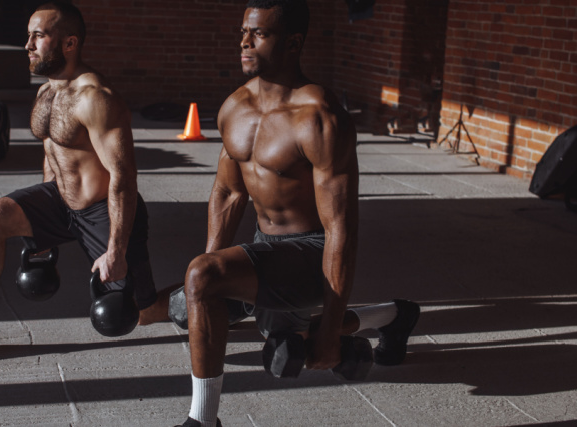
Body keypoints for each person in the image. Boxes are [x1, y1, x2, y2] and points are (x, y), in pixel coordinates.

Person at [174, 1, 419, 426]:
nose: (244, 42)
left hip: (310, 253)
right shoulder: (236, 107)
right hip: (266, 249)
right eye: (244, 31)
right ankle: (396, 316)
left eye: (259, 34)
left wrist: (329, 332)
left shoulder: (319, 118)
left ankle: (202, 421)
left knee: (204, 279)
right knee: (260, 328)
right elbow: (229, 192)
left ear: (293, 43)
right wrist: (215, 264)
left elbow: (342, 227)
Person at [0, 1, 165, 366]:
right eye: (28, 36)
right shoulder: (46, 92)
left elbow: (123, 177)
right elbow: (51, 156)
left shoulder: (97, 99)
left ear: (69, 43)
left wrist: (116, 249)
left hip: (103, 210)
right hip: (59, 201)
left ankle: (213, 293)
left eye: (38, 36)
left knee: (143, 312)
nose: (28, 45)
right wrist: (41, 231)